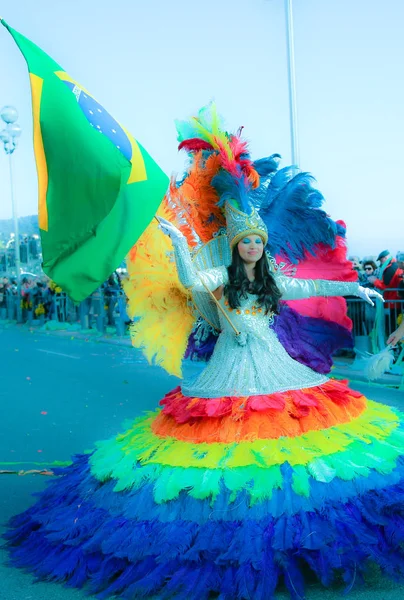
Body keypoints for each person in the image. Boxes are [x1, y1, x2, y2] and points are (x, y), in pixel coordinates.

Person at [7, 106, 404, 600]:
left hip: (277, 367)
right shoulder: (221, 279)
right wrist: (177, 241)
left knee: (288, 443)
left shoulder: (273, 279)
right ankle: (233, 534)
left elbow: (306, 284)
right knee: (226, 450)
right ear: (237, 247)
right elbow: (194, 280)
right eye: (248, 242)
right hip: (230, 367)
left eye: (260, 241)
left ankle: (294, 534)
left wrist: (358, 291)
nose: (255, 248)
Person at [368, 250, 404, 335]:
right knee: (394, 325)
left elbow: (385, 286)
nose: (380, 262)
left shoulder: (391, 268)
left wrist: (374, 281)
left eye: (381, 260)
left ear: (385, 258)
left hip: (392, 302)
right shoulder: (393, 267)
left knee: (391, 326)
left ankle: (392, 346)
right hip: (394, 301)